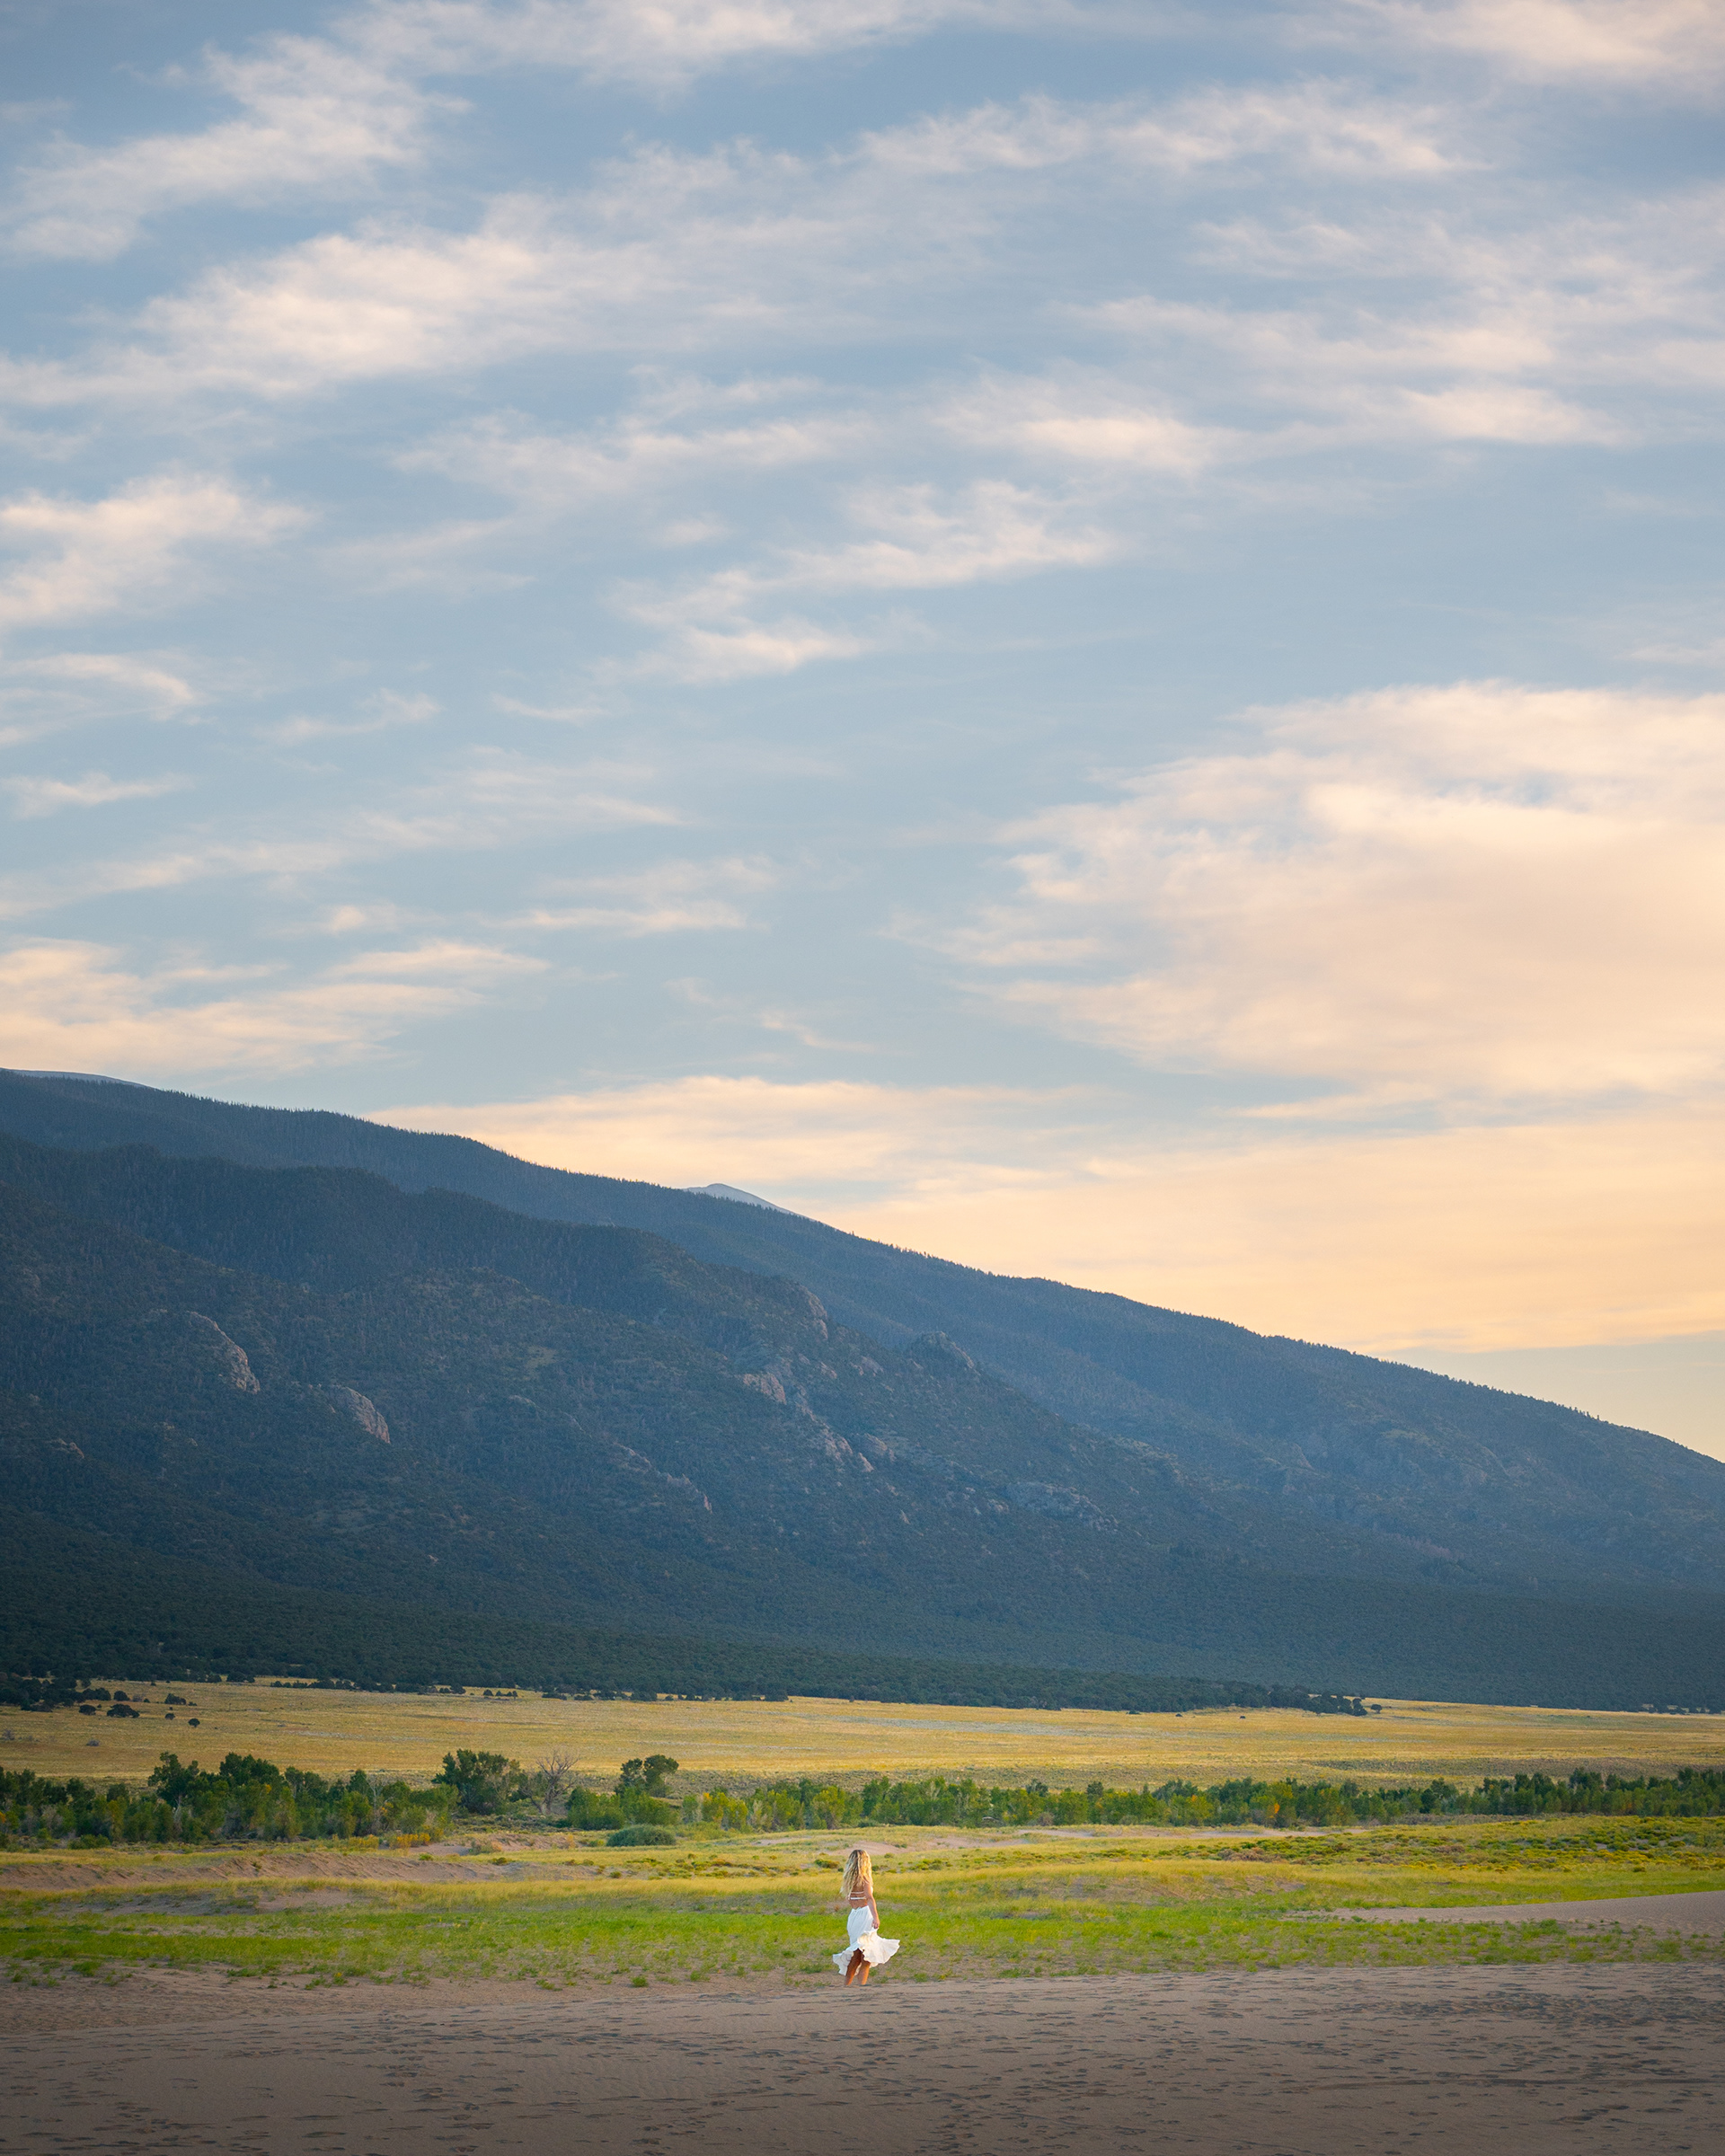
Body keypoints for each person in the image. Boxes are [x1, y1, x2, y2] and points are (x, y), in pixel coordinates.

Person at [831, 1847, 899, 1985]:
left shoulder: (848, 1880)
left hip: (854, 1916)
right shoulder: (865, 1878)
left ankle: (847, 1985)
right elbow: (869, 1898)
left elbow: (850, 1900)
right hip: (864, 1915)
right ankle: (861, 1987)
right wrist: (876, 1917)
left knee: (855, 1956)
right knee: (866, 1956)